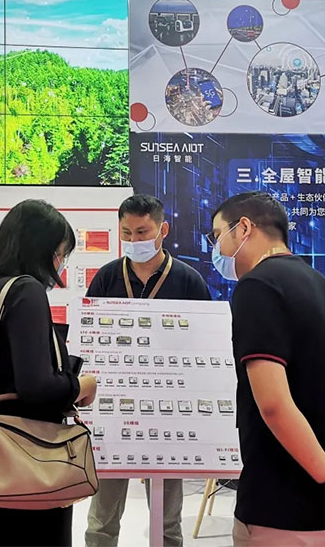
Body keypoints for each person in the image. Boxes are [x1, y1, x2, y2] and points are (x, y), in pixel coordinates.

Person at [208, 192, 325, 547]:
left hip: (286, 511)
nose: (216, 249)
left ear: (244, 228)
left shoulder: (256, 287)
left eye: (218, 235)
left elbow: (273, 404)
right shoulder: (324, 287)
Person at [0, 199, 98, 547]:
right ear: (45, 250)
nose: (61, 263)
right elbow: (36, 387)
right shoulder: (27, 291)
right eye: (62, 253)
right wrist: (80, 385)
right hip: (27, 479)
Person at [85, 194, 211, 547]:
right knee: (101, 519)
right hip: (113, 408)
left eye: (142, 232)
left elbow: (206, 343)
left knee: (168, 521)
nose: (134, 240)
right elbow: (89, 337)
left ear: (162, 230)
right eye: (126, 233)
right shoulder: (107, 277)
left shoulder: (188, 280)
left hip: (169, 410)